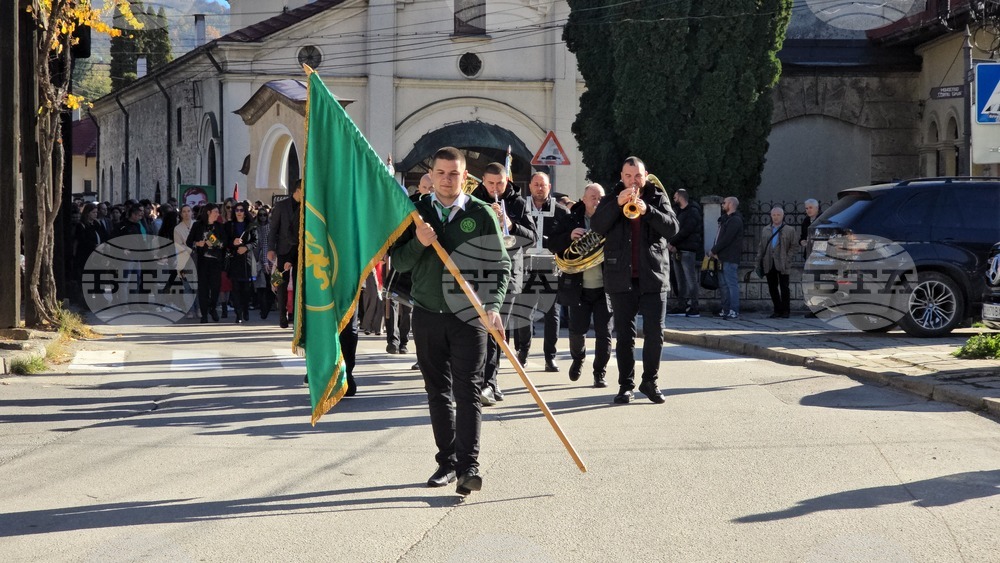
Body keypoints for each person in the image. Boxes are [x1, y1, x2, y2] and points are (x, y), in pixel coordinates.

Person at [391, 147, 511, 496]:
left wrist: (493, 306)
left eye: (454, 174)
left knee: (468, 390)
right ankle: (447, 462)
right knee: (438, 392)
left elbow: (500, 265)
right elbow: (398, 262)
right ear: (431, 175)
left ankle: (468, 467)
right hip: (427, 313)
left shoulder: (481, 213)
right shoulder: (414, 213)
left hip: (469, 316)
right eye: (441, 173)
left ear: (465, 177)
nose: (447, 179)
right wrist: (418, 243)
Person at [591, 157, 679, 404]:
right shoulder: (612, 198)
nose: (633, 181)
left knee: (655, 333)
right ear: (621, 176)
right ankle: (626, 385)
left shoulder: (657, 197)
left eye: (638, 176)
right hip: (621, 277)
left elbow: (673, 228)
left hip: (653, 276)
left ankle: (650, 381)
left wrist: (648, 211)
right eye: (628, 176)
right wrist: (616, 205)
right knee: (625, 336)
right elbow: (596, 226)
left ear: (645, 175)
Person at [471, 162, 536, 405]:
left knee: (497, 331)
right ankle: (477, 379)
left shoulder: (518, 203)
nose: (495, 188)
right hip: (478, 273)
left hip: (507, 274)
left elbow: (532, 238)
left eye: (500, 183)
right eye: (490, 183)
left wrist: (509, 224)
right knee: (477, 331)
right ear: (483, 181)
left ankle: (490, 382)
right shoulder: (473, 201)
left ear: (507, 181)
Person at [550, 183, 611, 388]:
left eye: (601, 198)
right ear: (583, 199)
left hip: (605, 287)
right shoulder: (570, 219)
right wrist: (569, 236)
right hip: (578, 287)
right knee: (577, 331)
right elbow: (552, 244)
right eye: (593, 197)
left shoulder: (610, 220)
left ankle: (599, 372)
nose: (597, 201)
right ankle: (578, 358)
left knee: (604, 333)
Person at [519, 171, 570, 372]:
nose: (540, 188)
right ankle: (523, 352)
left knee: (552, 312)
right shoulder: (521, 207)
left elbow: (567, 239)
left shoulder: (561, 212)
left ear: (549, 187)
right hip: (526, 265)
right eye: (536, 185)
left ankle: (550, 356)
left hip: (551, 265)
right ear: (530, 187)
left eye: (543, 185)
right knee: (524, 311)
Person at [268, 182, 303, 329]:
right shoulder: (281, 206)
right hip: (283, 249)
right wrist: (271, 248)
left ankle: (296, 316)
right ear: (298, 190)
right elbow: (273, 228)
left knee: (298, 283)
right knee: (281, 283)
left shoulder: (307, 206)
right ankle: (282, 315)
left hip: (300, 250)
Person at [667, 188, 703, 318]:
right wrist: (673, 244)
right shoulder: (680, 212)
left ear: (681, 196)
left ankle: (694, 307)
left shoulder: (692, 211)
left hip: (687, 250)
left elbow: (686, 230)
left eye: (675, 196)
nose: (674, 198)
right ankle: (681, 306)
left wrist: (672, 243)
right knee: (680, 280)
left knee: (690, 280)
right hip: (678, 249)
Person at [755, 206, 797, 318]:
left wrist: (788, 258)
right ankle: (777, 310)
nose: (776, 217)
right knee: (772, 287)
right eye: (774, 215)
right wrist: (758, 261)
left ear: (783, 216)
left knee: (784, 287)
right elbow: (761, 246)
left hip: (783, 262)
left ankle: (786, 310)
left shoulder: (789, 230)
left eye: (778, 215)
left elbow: (794, 246)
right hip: (769, 261)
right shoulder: (766, 229)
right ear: (771, 216)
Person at [187, 204, 225, 323]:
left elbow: (224, 243)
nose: (217, 214)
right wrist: (197, 244)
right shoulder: (197, 225)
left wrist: (215, 243)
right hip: (202, 261)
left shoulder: (219, 226)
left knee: (215, 287)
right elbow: (189, 242)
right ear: (208, 212)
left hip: (215, 261)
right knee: (203, 288)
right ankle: (204, 314)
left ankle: (212, 307)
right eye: (215, 212)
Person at [710, 196, 744, 320]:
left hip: (730, 257)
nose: (722, 204)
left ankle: (734, 310)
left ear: (730, 204)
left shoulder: (735, 220)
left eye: (724, 202)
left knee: (731, 284)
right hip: (721, 257)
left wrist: (714, 250)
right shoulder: (725, 219)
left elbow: (727, 239)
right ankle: (725, 309)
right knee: (723, 285)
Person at [225, 203, 258, 323]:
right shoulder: (229, 225)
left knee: (246, 290)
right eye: (237, 210)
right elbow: (224, 242)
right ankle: (238, 314)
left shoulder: (251, 225)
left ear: (245, 212)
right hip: (234, 260)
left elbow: (255, 241)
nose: (239, 212)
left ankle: (245, 310)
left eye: (241, 210)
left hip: (247, 261)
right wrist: (232, 243)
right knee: (236, 289)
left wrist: (246, 247)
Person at [254, 205, 276, 320]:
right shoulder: (257, 227)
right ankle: (264, 308)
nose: (262, 217)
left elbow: (266, 245)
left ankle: (267, 307)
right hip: (262, 260)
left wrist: (266, 261)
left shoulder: (269, 226)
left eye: (264, 215)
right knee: (262, 286)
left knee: (273, 285)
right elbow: (262, 246)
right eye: (260, 215)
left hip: (272, 260)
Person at [800, 199, 821, 318]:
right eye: (806, 208)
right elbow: (802, 237)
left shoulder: (822, 220)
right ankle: (813, 309)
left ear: (817, 208)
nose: (808, 210)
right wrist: (802, 242)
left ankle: (820, 309)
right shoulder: (806, 221)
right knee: (810, 283)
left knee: (819, 283)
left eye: (810, 208)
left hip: (820, 256)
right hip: (808, 255)